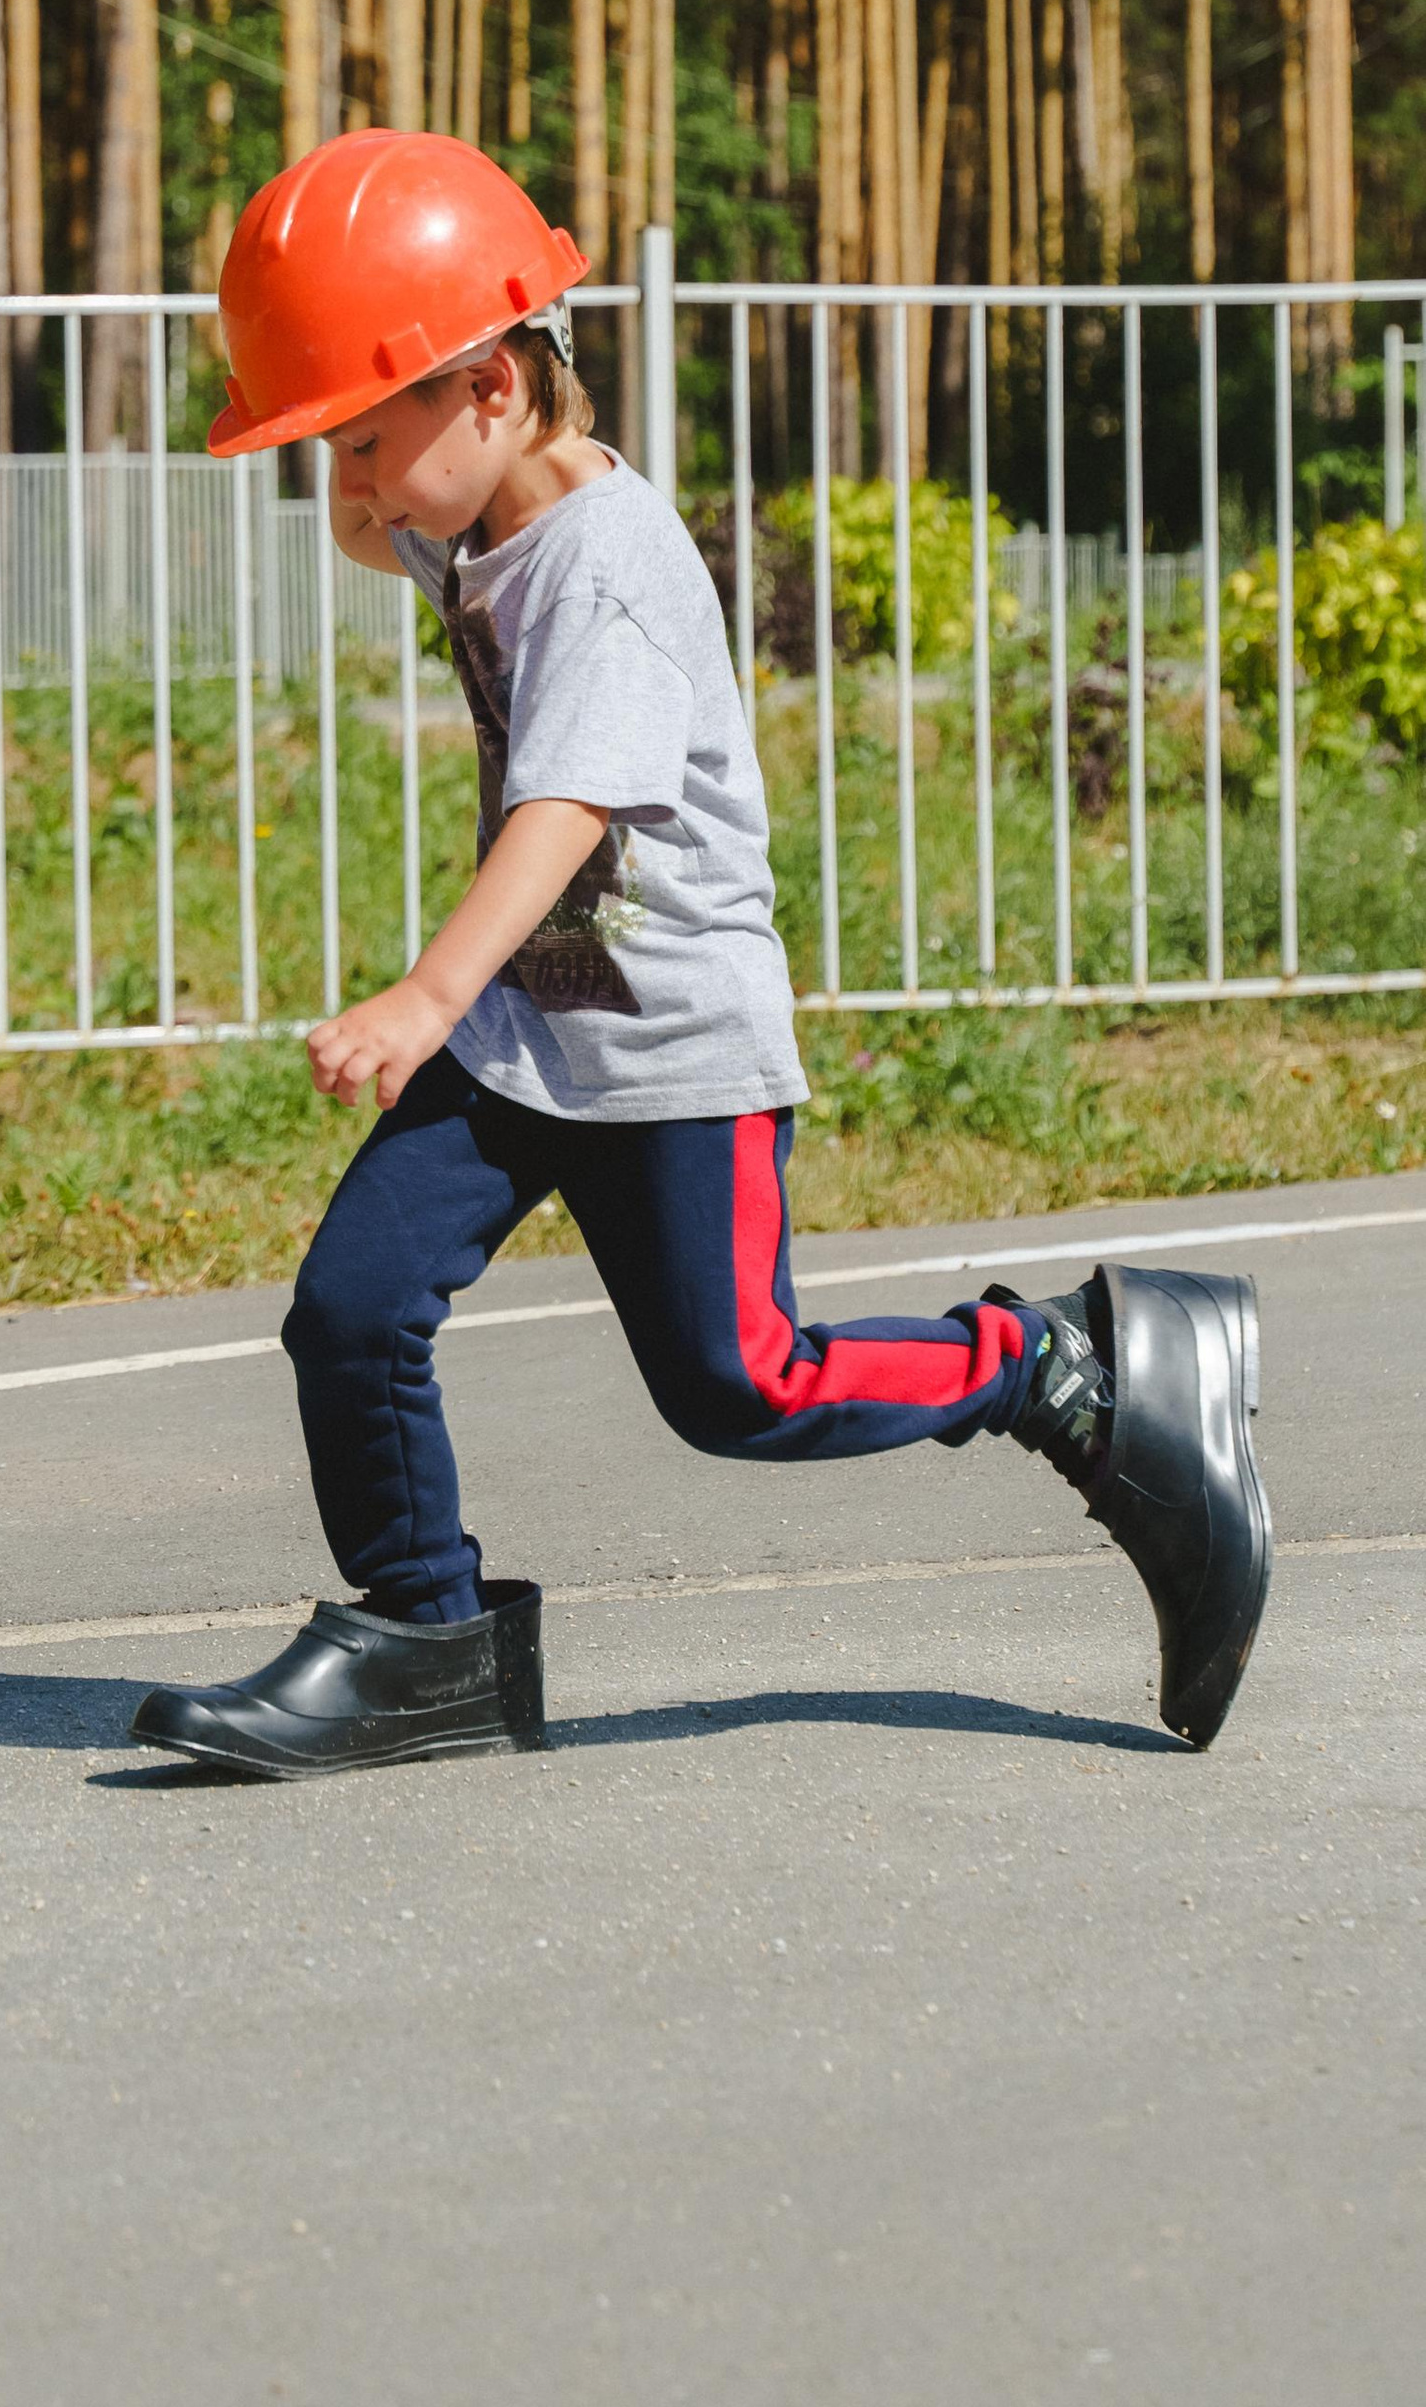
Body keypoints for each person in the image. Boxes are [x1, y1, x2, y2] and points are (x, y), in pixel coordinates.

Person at [129, 131, 1270, 1781]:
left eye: (366, 441)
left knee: (747, 1384)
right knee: (354, 1309)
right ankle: (425, 1635)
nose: (354, 493)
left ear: (500, 389)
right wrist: (359, 454)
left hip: (666, 1046)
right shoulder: (477, 508)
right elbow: (387, 532)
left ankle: (1064, 1368)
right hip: (536, 1036)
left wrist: (425, 991)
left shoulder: (610, 569)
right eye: (328, 448)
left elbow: (569, 805)